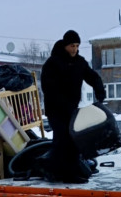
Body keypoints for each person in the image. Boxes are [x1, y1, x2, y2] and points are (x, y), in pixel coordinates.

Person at [41, 30, 106, 184]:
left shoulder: (79, 63)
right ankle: (66, 174)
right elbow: (48, 88)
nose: (74, 49)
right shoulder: (53, 63)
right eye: (72, 46)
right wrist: (61, 103)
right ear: (65, 45)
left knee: (71, 140)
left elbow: (92, 76)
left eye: (77, 46)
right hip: (56, 110)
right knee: (64, 139)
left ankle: (54, 170)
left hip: (71, 109)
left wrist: (100, 91)